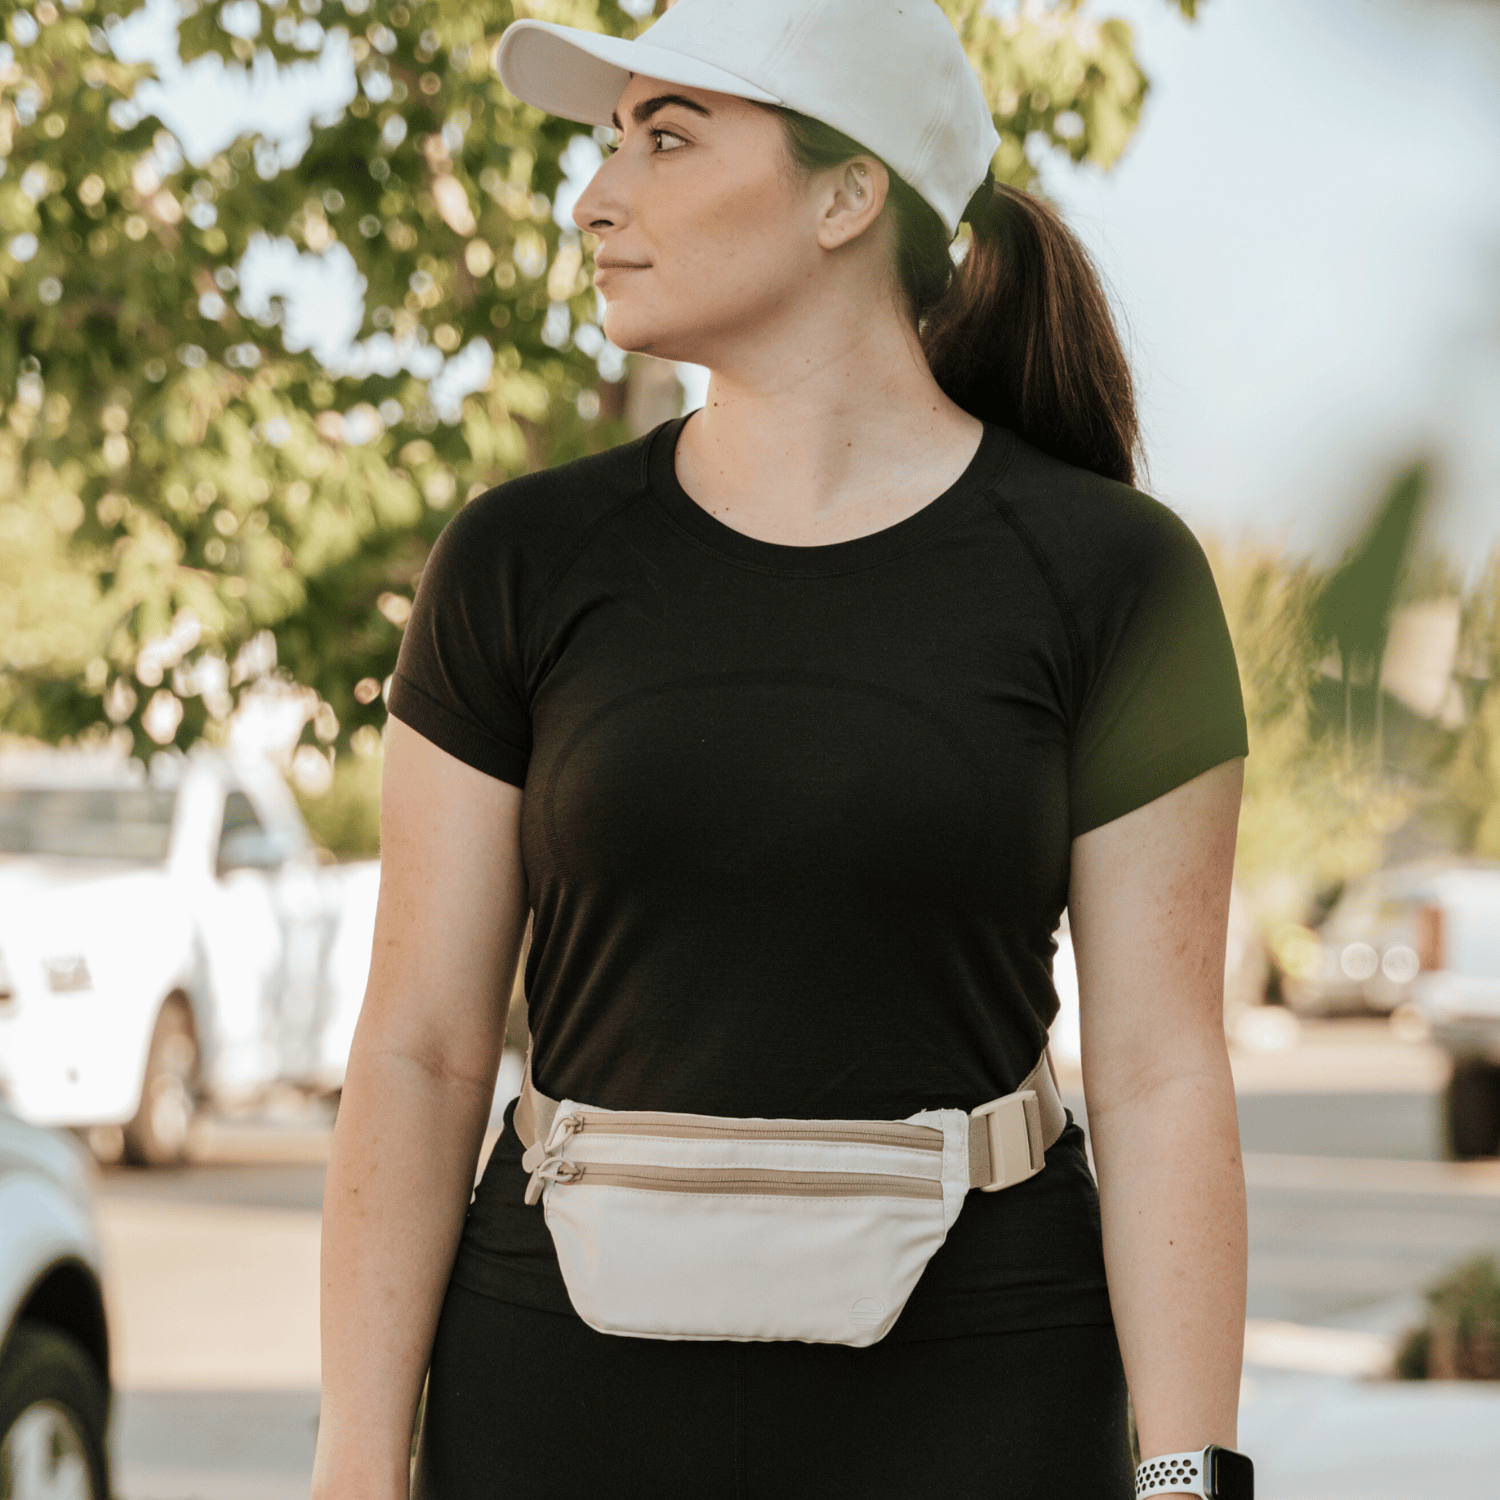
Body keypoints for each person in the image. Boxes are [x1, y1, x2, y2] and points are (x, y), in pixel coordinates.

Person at [310, 2, 1252, 1497]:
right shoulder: (513, 563)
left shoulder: (1114, 580)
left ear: (846, 193)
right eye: (608, 141)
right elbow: (421, 1052)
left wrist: (1189, 1484)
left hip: (985, 1395)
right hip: (557, 1397)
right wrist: (357, 1462)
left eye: (668, 136)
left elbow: (1158, 1075)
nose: (598, 194)